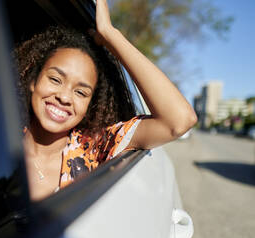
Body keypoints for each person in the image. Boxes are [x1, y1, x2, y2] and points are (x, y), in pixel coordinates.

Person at [14, 0, 197, 201]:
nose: (64, 97)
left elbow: (179, 120)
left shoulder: (93, 148)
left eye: (81, 93)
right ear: (33, 81)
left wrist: (111, 35)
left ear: (90, 104)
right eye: (56, 79)